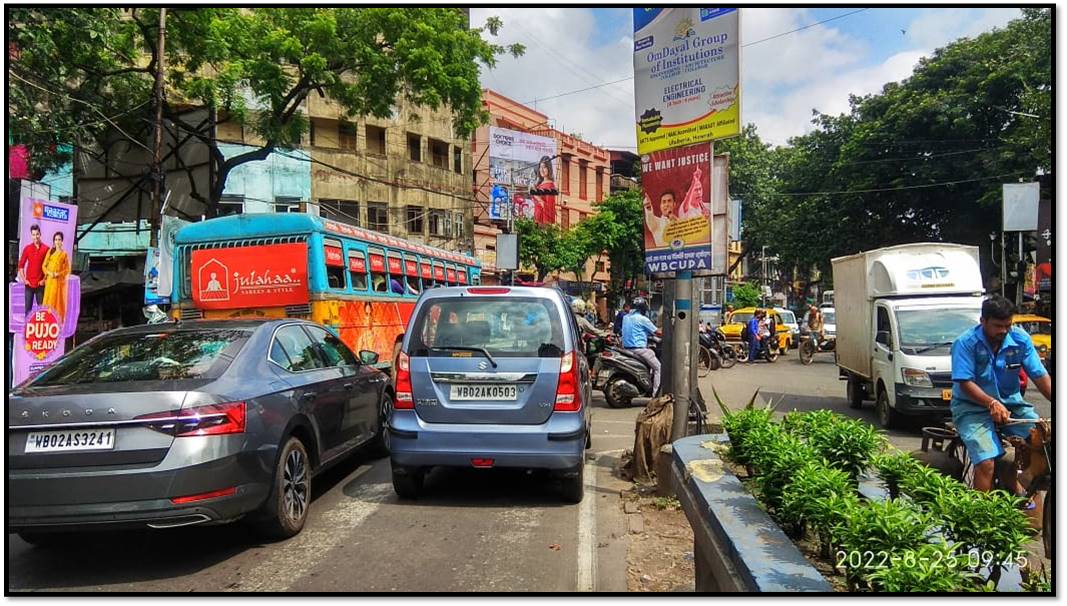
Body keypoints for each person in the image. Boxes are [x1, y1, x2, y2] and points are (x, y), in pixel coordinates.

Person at [950, 295, 1051, 494]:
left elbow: (1039, 376)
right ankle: (983, 519)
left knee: (1045, 440)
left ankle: (1024, 483)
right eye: (998, 326)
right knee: (986, 463)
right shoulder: (965, 343)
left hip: (1013, 407)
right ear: (983, 321)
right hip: (972, 409)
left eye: (1008, 325)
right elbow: (964, 382)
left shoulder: (1020, 340)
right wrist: (991, 403)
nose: (1003, 331)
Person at [621, 297, 661, 396]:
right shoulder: (643, 319)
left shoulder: (626, 317)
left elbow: (636, 331)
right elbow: (658, 333)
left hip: (626, 349)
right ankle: (656, 395)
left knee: (651, 354)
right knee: (658, 368)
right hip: (639, 350)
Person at [17, 224, 49, 317]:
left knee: (42, 310)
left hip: (40, 285)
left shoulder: (46, 249)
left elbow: (49, 267)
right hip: (29, 285)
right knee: (27, 310)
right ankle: (28, 329)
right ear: (31, 235)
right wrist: (24, 279)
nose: (35, 237)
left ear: (40, 234)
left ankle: (41, 329)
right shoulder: (27, 248)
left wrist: (44, 280)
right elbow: (21, 266)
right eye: (33, 234)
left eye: (37, 234)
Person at [41, 231, 71, 323]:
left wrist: (58, 274)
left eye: (59, 240)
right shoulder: (50, 252)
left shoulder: (64, 254)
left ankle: (57, 323)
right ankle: (47, 322)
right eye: (56, 240)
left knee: (57, 302)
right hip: (50, 282)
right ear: (53, 241)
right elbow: (43, 266)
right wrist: (49, 273)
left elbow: (67, 269)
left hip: (58, 283)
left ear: (62, 241)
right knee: (48, 301)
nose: (57, 242)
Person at [532, 156, 557, 225]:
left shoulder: (550, 186)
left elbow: (549, 207)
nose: (542, 170)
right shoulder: (540, 184)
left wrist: (537, 197)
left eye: (544, 167)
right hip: (537, 219)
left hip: (543, 222)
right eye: (540, 167)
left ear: (549, 168)